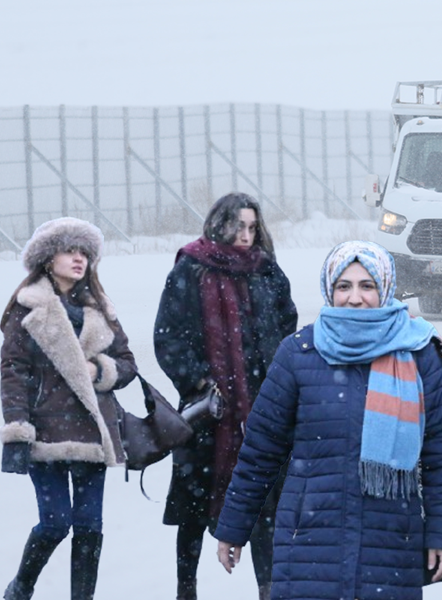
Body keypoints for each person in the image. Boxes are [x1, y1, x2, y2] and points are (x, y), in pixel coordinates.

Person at [213, 240, 442, 600]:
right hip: (308, 539)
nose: (355, 298)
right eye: (343, 286)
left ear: (387, 288)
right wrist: (234, 526)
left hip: (391, 540)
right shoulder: (299, 354)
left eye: (367, 286)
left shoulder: (419, 354)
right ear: (329, 291)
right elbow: (260, 452)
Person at [154, 192, 298, 600]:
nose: (246, 235)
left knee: (266, 504)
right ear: (220, 224)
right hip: (207, 412)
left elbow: (288, 323)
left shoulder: (266, 270)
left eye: (253, 227)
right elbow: (168, 335)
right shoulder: (192, 268)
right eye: (238, 226)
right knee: (193, 509)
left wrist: (277, 375)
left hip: (261, 406)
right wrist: (199, 381)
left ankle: (268, 589)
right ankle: (187, 588)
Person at [0, 217, 138, 600]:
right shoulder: (27, 307)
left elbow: (127, 363)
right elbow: (13, 371)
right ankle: (22, 586)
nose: (79, 259)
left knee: (90, 526)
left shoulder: (100, 307)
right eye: (69, 250)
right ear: (48, 258)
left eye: (84, 253)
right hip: (45, 432)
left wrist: (99, 369)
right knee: (56, 522)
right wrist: (17, 427)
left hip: (92, 430)